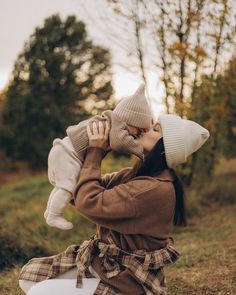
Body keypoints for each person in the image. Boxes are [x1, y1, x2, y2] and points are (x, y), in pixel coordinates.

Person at [19, 113, 210, 294]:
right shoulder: (133, 175)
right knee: (27, 278)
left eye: (155, 129)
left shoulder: (153, 189)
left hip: (126, 280)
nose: (145, 129)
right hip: (104, 264)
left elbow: (88, 201)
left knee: (39, 292)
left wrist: (96, 151)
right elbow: (83, 188)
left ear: (165, 146)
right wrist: (81, 151)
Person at [44, 83, 153, 230]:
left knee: (63, 186)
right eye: (137, 131)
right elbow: (120, 143)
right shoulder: (117, 125)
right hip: (68, 154)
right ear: (129, 120)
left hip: (63, 150)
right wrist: (142, 152)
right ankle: (54, 215)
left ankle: (50, 212)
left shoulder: (110, 120)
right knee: (68, 187)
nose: (136, 135)